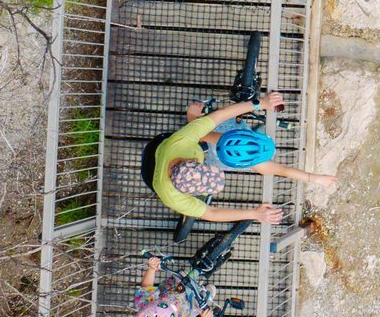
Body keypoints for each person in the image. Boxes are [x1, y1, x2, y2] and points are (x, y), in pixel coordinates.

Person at [144, 91, 336, 224]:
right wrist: (255, 213)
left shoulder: (180, 142)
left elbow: (220, 116)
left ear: (191, 163)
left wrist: (262, 103)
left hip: (167, 145)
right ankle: (195, 122)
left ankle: (194, 122)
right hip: (152, 168)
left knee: (209, 134)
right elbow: (212, 213)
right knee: (207, 135)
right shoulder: (171, 197)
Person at [131, 253, 213, 317]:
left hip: (173, 289)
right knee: (209, 293)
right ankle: (205, 292)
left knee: (184, 274)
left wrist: (152, 269)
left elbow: (146, 286)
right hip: (187, 307)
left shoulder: (144, 304)